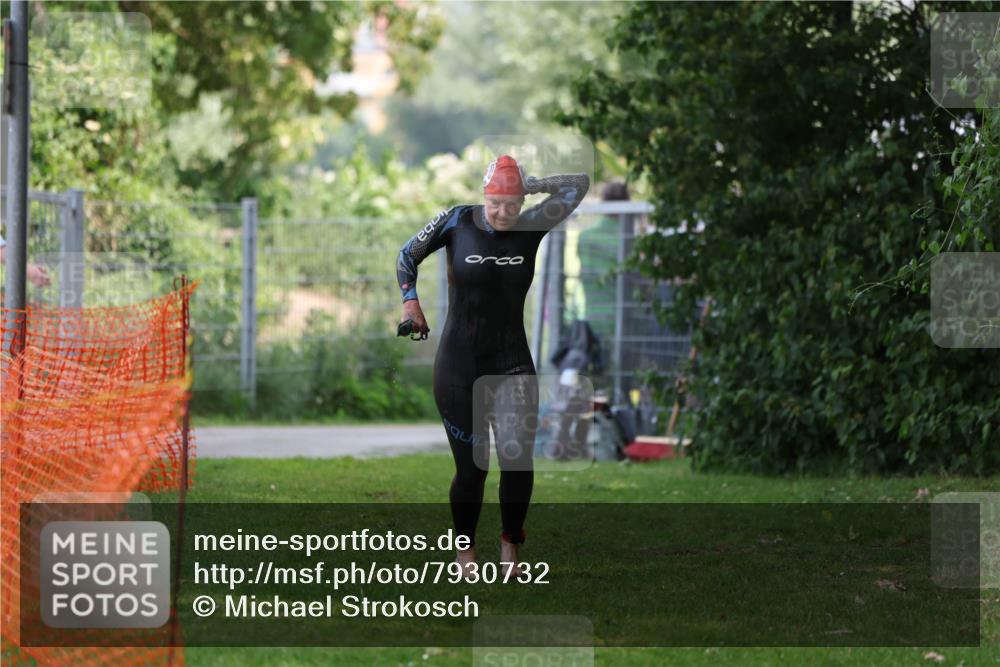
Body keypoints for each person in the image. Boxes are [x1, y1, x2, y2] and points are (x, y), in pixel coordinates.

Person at [396, 155, 589, 579]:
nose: (503, 213)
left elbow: (579, 183)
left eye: (511, 205)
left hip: (512, 362)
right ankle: (465, 555)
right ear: (484, 196)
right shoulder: (457, 222)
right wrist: (411, 302)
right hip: (459, 366)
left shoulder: (533, 225)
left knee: (518, 461)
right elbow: (406, 255)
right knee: (473, 469)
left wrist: (531, 184)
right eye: (496, 203)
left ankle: (510, 549)